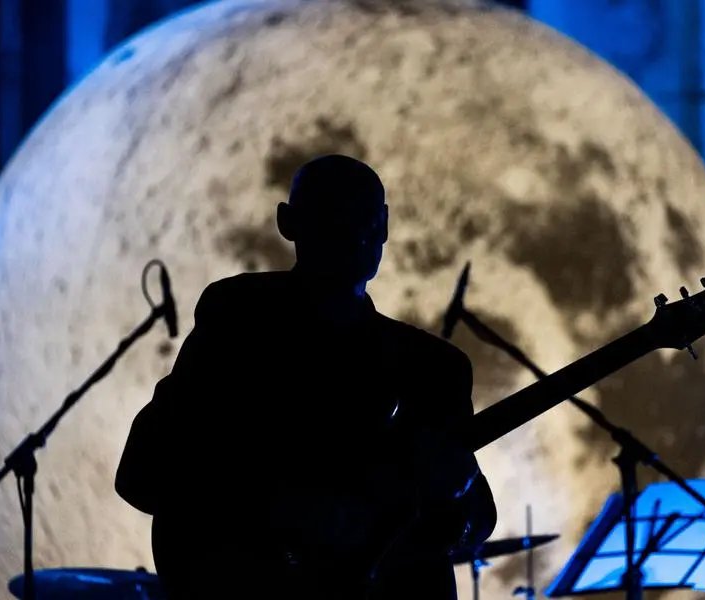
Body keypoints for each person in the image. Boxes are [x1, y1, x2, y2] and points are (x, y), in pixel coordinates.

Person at [114, 155, 497, 599]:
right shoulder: (237, 322)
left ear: (386, 226)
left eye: (366, 220)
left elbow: (476, 521)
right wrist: (282, 512)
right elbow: (145, 470)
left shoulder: (431, 368)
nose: (354, 235)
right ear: (288, 222)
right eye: (332, 218)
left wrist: (458, 488)